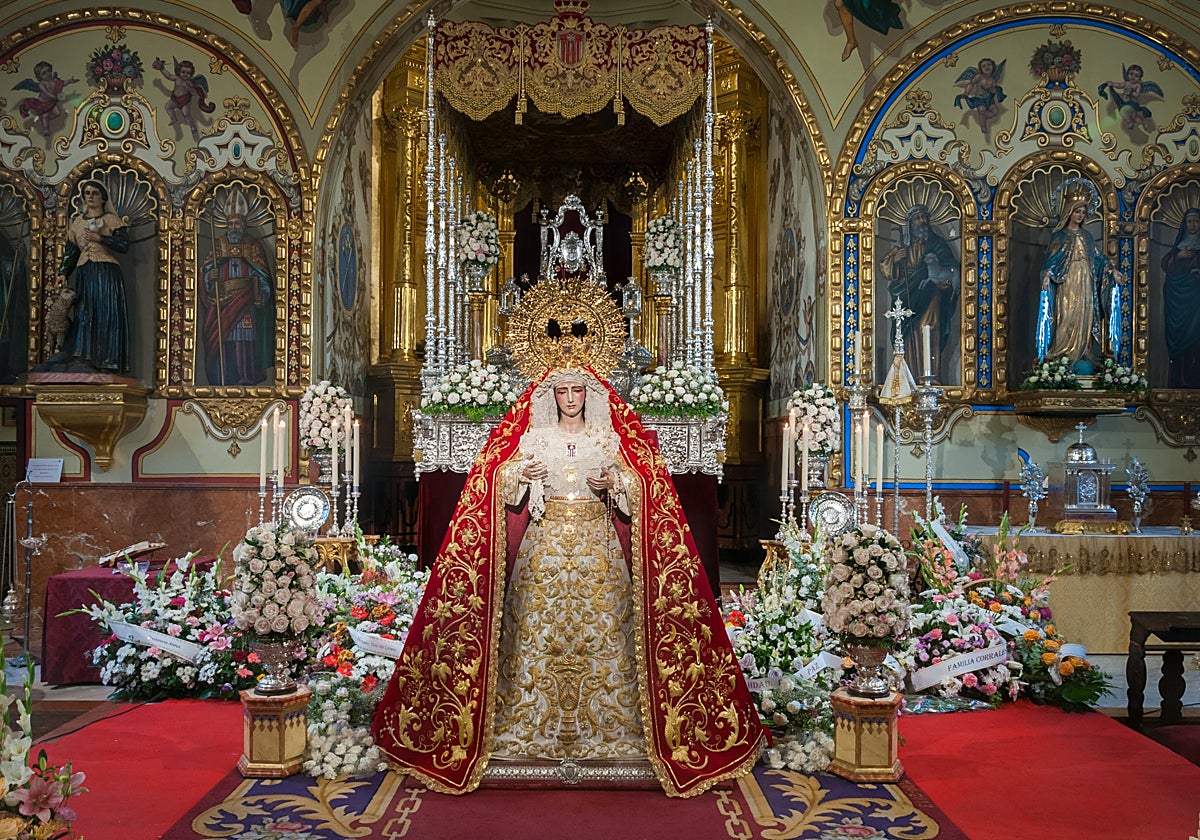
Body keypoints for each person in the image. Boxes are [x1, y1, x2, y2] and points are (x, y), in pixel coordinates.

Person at [371, 365, 765, 796]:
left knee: (608, 629)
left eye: (578, 390)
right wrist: (521, 476)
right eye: (563, 391)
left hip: (599, 548)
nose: (572, 398)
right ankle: (525, 723)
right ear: (552, 397)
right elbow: (499, 480)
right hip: (545, 546)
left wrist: (615, 481)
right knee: (534, 630)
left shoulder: (607, 438)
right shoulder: (536, 438)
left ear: (589, 395)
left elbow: (642, 484)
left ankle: (619, 724)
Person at [1035, 183, 1125, 373]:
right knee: (1066, 318)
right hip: (1066, 282)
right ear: (1069, 212)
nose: (1080, 215)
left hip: (1085, 283)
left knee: (1084, 317)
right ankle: (1062, 353)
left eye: (1083, 212)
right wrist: (1046, 275)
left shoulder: (1087, 236)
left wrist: (1112, 271)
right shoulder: (1059, 236)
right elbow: (1051, 262)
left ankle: (1083, 352)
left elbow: (1098, 258)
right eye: (1077, 211)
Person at [51, 179, 130, 374]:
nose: (91, 196)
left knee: (106, 314)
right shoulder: (78, 223)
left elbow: (123, 245)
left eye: (95, 193)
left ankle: (107, 359)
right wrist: (63, 273)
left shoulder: (112, 220)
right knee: (84, 314)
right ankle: (83, 356)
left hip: (106, 273)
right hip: (85, 273)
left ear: (102, 197)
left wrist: (101, 238)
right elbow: (71, 251)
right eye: (87, 193)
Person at [199, 192, 273, 386]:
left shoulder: (253, 247)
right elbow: (204, 275)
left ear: (244, 225)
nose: (233, 228)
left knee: (245, 341)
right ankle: (225, 377)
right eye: (230, 224)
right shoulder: (218, 246)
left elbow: (263, 276)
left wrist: (262, 294)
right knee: (225, 340)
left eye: (237, 224)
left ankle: (246, 375)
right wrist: (209, 277)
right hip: (222, 303)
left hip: (245, 302)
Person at [879, 205, 960, 380]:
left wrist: (940, 276)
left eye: (924, 217)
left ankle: (931, 377)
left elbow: (952, 269)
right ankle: (910, 378)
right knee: (907, 336)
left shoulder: (937, 244)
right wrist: (895, 260)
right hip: (906, 299)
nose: (922, 221)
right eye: (917, 218)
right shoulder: (902, 246)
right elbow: (885, 269)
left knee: (929, 330)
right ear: (910, 223)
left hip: (931, 297)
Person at [1162, 207, 1200, 388]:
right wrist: (1178, 256)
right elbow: (1165, 264)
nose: (1193, 225)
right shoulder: (1179, 246)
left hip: (1197, 302)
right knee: (1182, 343)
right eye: (1190, 222)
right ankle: (1179, 383)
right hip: (1179, 302)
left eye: (1196, 221)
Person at [151, 57, 215, 138]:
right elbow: (168, 76)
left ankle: (192, 126)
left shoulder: (189, 82)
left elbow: (194, 93)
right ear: (179, 71)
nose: (185, 74)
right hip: (175, 99)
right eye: (183, 72)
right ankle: (173, 118)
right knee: (167, 106)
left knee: (186, 113)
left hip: (185, 100)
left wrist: (190, 88)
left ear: (191, 74)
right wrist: (161, 69)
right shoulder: (177, 78)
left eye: (188, 73)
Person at [14, 61, 78, 137]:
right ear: (39, 76)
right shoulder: (41, 85)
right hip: (43, 103)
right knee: (45, 115)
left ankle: (46, 120)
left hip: (51, 103)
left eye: (49, 71)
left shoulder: (55, 80)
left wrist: (70, 81)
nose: (48, 74)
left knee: (57, 113)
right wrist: (55, 97)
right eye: (44, 73)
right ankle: (46, 128)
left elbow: (62, 83)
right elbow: (47, 93)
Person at [954, 58, 1006, 141]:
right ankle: (983, 125)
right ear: (981, 69)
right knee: (982, 109)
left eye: (989, 65)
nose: (987, 67)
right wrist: (966, 93)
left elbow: (993, 90)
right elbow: (971, 84)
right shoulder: (979, 76)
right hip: (979, 98)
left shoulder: (992, 80)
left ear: (993, 67)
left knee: (995, 112)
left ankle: (983, 117)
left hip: (989, 99)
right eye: (984, 66)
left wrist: (992, 90)